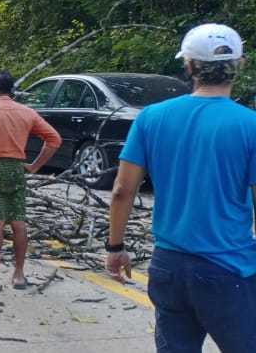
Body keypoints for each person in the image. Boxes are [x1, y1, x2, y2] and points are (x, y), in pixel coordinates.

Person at [104, 23, 256, 352]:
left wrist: (115, 247)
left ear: (188, 66)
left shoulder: (151, 118)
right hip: (228, 266)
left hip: (168, 266)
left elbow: (121, 191)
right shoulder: (250, 125)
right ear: (239, 66)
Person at [0, 69, 61, 291]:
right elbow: (54, 139)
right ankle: (18, 276)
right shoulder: (27, 112)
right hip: (16, 169)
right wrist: (34, 166)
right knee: (18, 219)